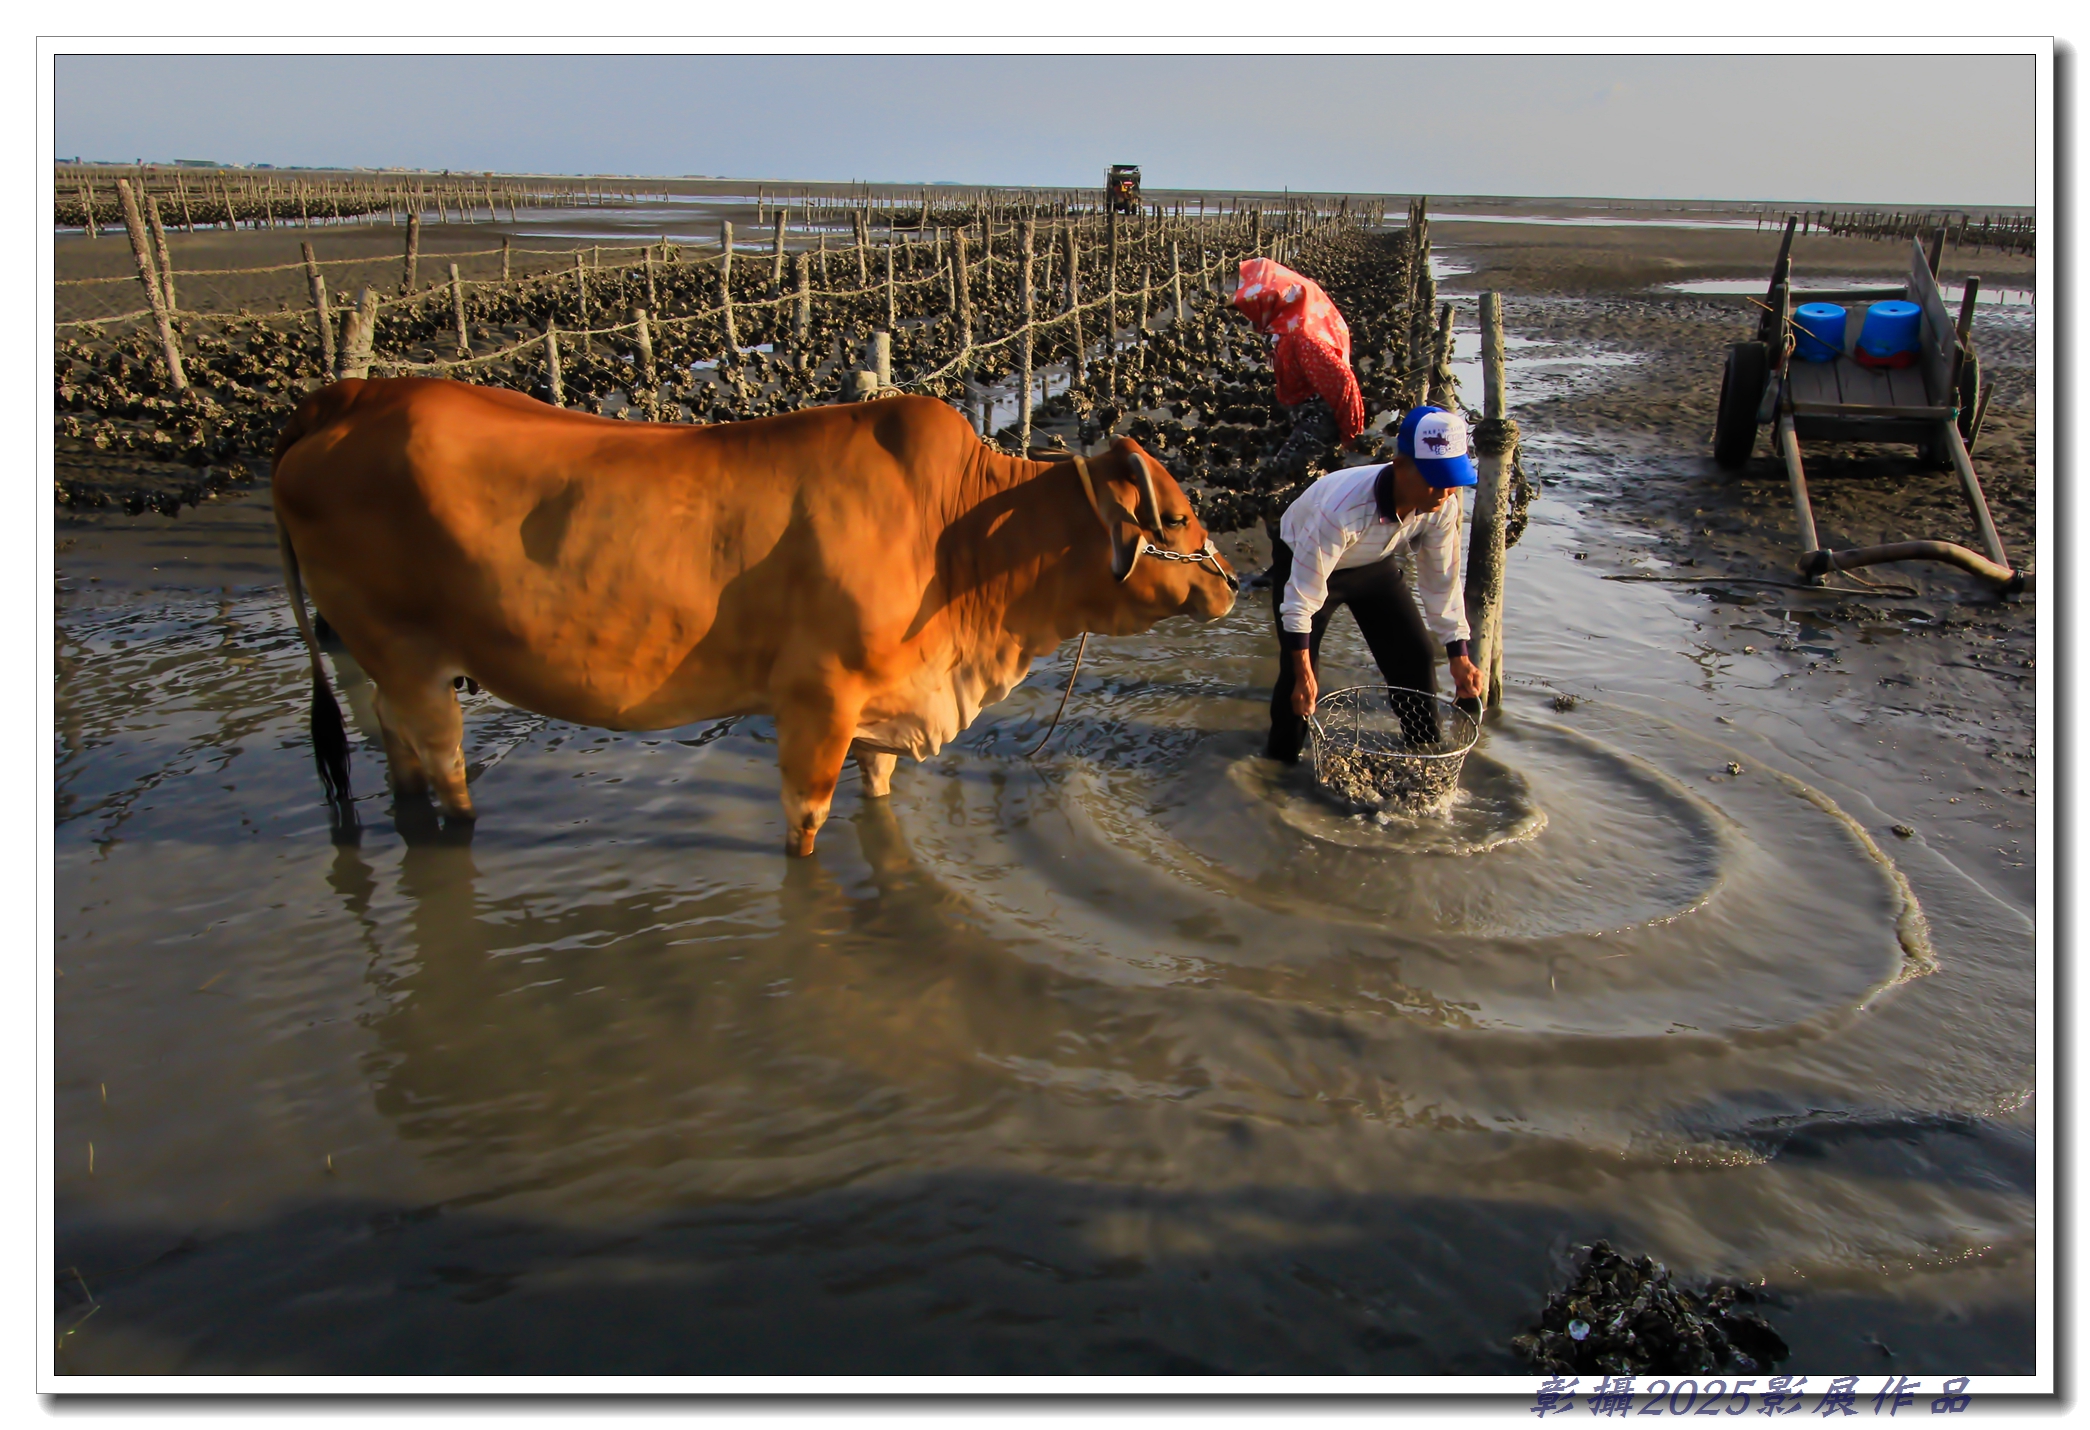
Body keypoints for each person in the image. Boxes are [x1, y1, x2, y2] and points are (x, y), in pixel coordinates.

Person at [1266, 404, 1482, 763]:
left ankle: (1424, 754)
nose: (1443, 491)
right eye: (1433, 477)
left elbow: (1441, 580)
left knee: (1415, 655)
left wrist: (1458, 654)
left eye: (1451, 478)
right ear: (1400, 466)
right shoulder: (1341, 510)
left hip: (1374, 562)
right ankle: (1278, 768)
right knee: (1298, 681)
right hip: (1306, 558)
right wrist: (1304, 673)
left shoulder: (1442, 503)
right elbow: (1299, 601)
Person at [1230, 258, 1369, 506]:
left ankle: (1292, 535)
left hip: (1319, 417)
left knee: (1276, 485)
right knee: (1302, 482)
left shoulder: (1302, 337)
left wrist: (1351, 433)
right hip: (1304, 411)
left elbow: (1343, 382)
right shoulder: (1289, 325)